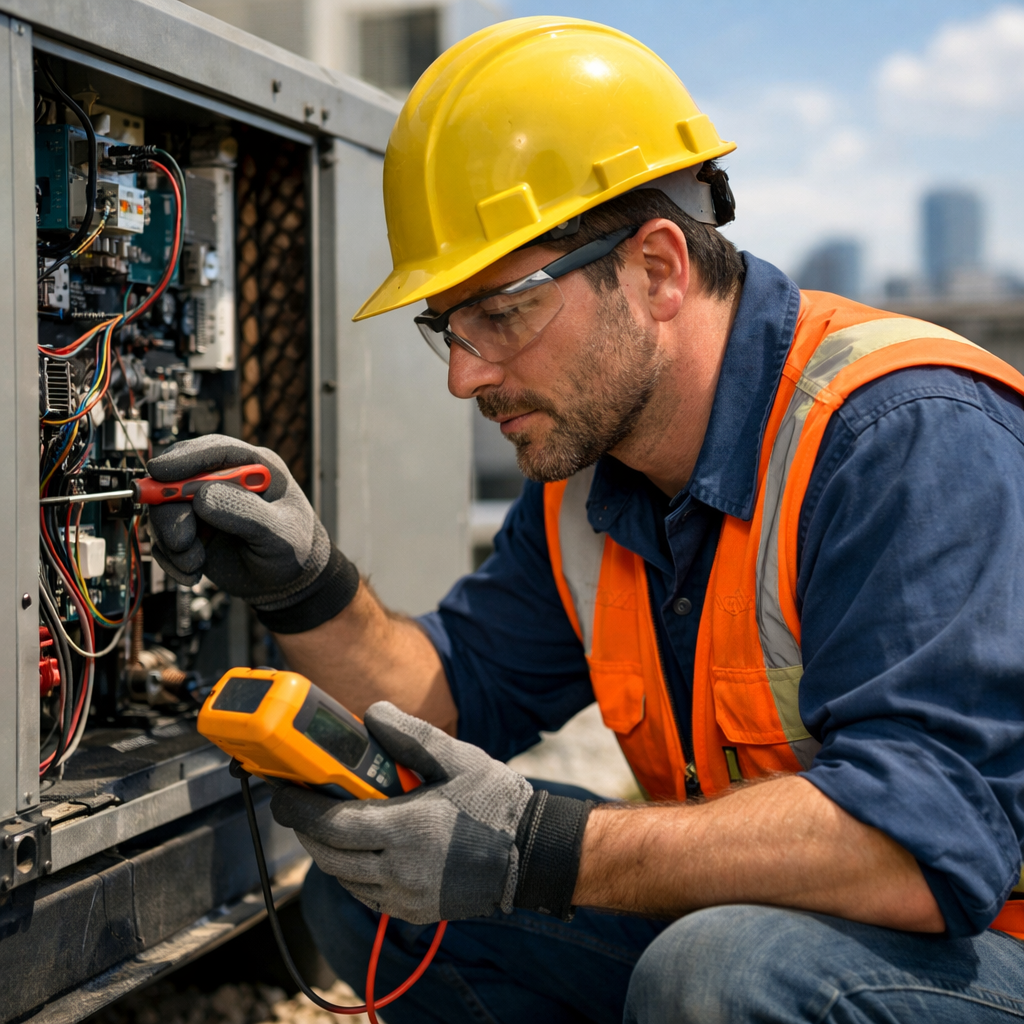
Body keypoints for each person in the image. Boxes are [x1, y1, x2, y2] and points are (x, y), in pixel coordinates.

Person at [148, 17, 1024, 1023]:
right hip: (805, 927)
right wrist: (303, 584)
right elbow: (445, 702)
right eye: (449, 326)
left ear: (656, 268)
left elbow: (923, 848)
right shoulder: (592, 484)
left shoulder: (901, 434)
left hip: (981, 947)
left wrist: (543, 848)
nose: (465, 374)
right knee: (376, 901)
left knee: (719, 974)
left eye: (502, 312)